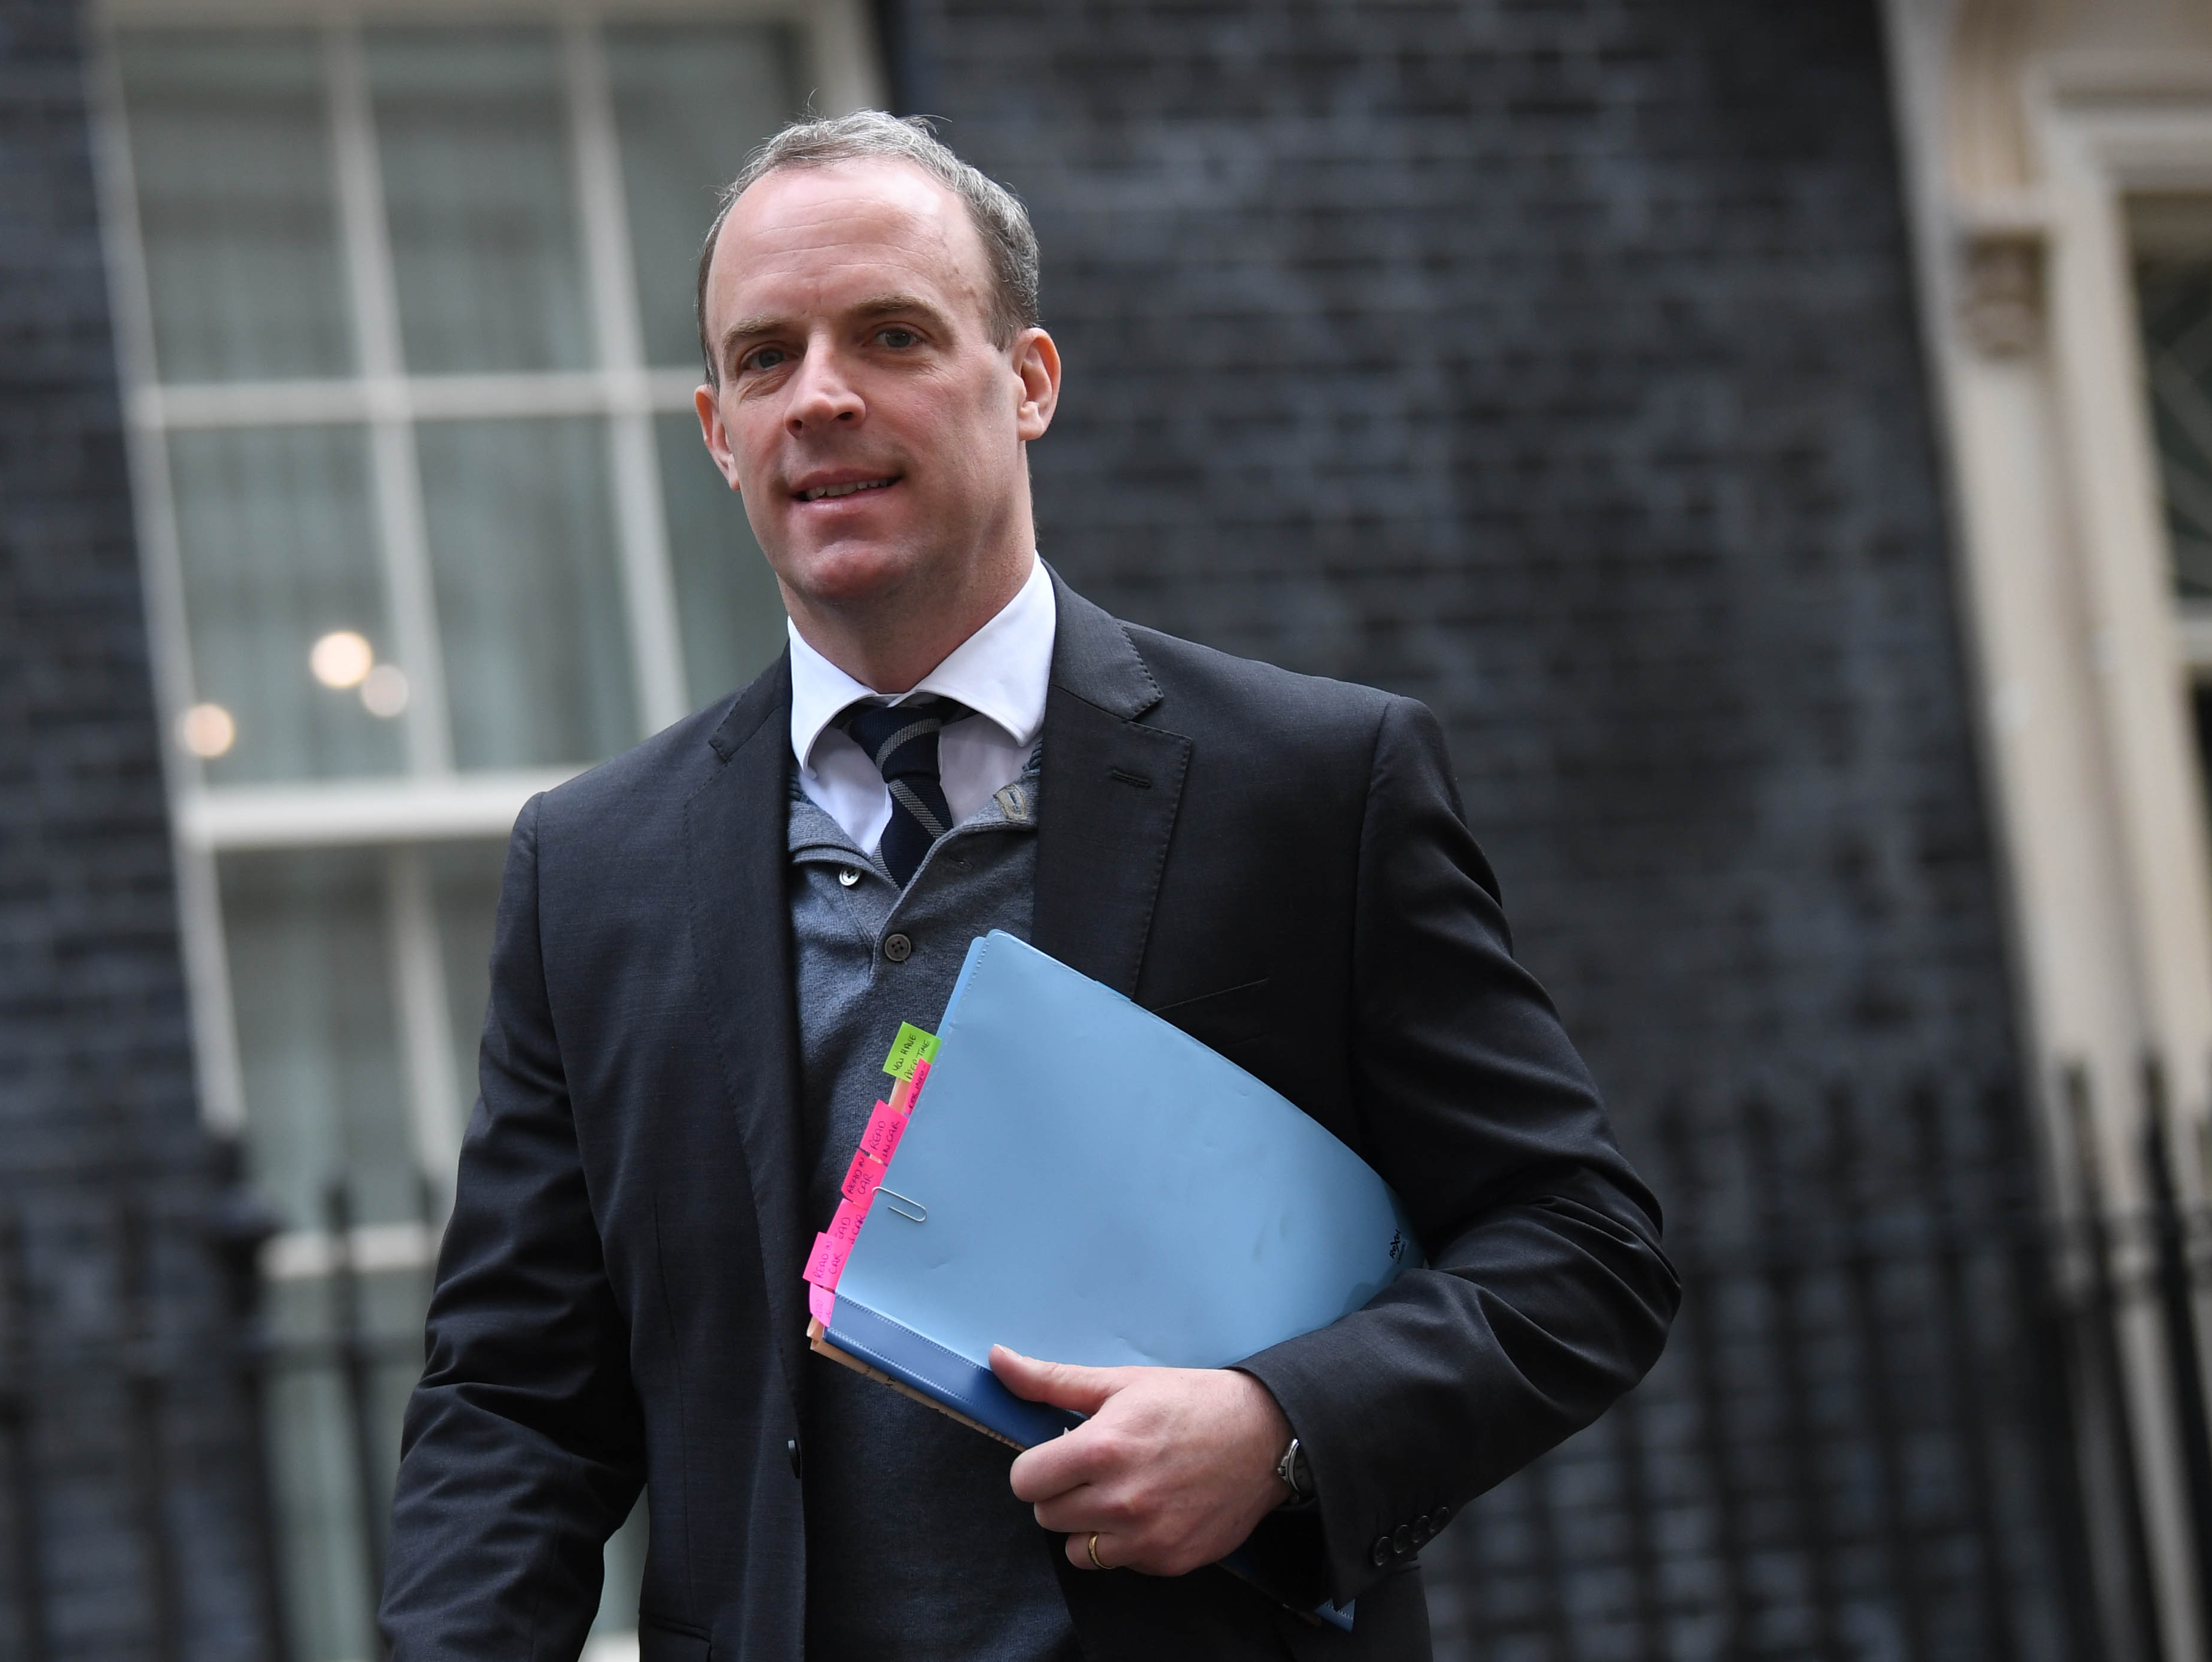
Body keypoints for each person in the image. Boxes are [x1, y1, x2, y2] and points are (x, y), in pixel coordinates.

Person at [381, 111, 1676, 1662]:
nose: (823, 396)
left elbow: (1580, 1249)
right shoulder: (588, 870)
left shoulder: (1312, 784)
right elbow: (518, 1399)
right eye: (764, 357)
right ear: (716, 430)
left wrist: (1278, 1428)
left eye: (892, 334)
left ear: (1030, 381)